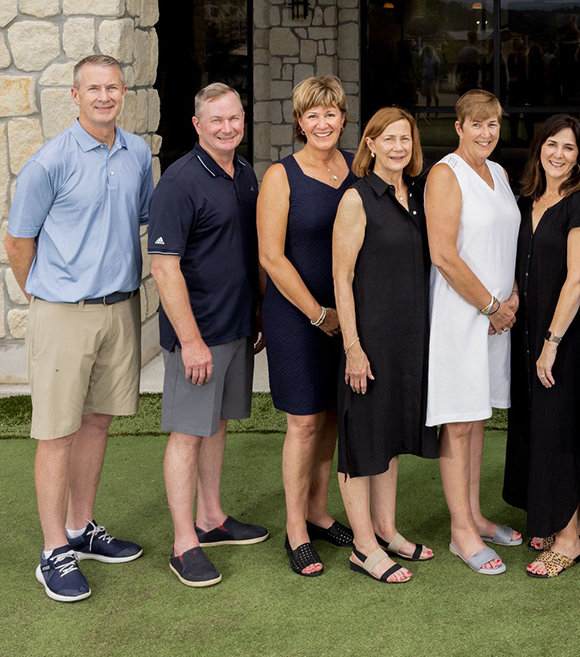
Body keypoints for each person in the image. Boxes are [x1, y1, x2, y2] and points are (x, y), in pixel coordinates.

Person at [6, 55, 151, 603]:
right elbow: (19, 243)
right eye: (93, 88)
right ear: (75, 95)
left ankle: (81, 529)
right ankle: (53, 551)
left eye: (112, 87)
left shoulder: (137, 153)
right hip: (64, 311)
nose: (104, 96)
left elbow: (139, 219)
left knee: (96, 423)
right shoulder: (49, 161)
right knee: (57, 431)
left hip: (120, 307)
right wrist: (46, 298)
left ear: (124, 91)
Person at [148, 83, 269, 588]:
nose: (227, 128)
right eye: (215, 120)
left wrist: (258, 313)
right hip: (197, 334)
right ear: (197, 125)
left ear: (244, 120)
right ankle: (183, 544)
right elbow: (163, 266)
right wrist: (191, 340)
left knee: (217, 424)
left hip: (236, 326)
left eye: (234, 118)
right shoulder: (178, 182)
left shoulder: (244, 172)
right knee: (188, 433)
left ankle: (212, 517)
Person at [332, 106, 439, 585]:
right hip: (370, 339)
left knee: (391, 435)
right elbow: (342, 275)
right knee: (362, 439)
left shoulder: (414, 194)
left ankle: (387, 529)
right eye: (388, 138)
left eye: (405, 139)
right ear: (370, 145)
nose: (398, 147)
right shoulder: (357, 198)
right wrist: (353, 347)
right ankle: (362, 546)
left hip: (407, 338)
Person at [257, 75, 359, 577]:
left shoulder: (354, 167)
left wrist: (346, 317)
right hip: (299, 318)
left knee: (334, 416)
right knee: (304, 422)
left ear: (343, 118)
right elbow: (271, 258)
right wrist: (319, 315)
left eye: (331, 113)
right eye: (312, 114)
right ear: (299, 122)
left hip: (348, 319)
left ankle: (319, 512)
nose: (322, 122)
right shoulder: (281, 175)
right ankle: (296, 528)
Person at [502, 114, 580, 578]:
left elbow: (579, 277)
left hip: (563, 335)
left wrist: (551, 342)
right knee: (539, 422)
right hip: (528, 333)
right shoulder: (529, 198)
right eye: (551, 145)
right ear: (538, 148)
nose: (559, 155)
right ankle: (573, 517)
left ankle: (567, 542)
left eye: (569, 148)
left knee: (558, 427)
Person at [426, 90, 523, 575]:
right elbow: (443, 254)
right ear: (459, 127)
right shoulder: (446, 174)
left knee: (478, 417)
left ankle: (476, 515)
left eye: (494, 124)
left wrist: (513, 298)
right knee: (459, 421)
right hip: (462, 316)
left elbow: (508, 242)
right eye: (477, 124)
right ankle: (460, 533)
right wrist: (489, 305)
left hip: (496, 318)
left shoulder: (500, 174)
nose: (486, 133)